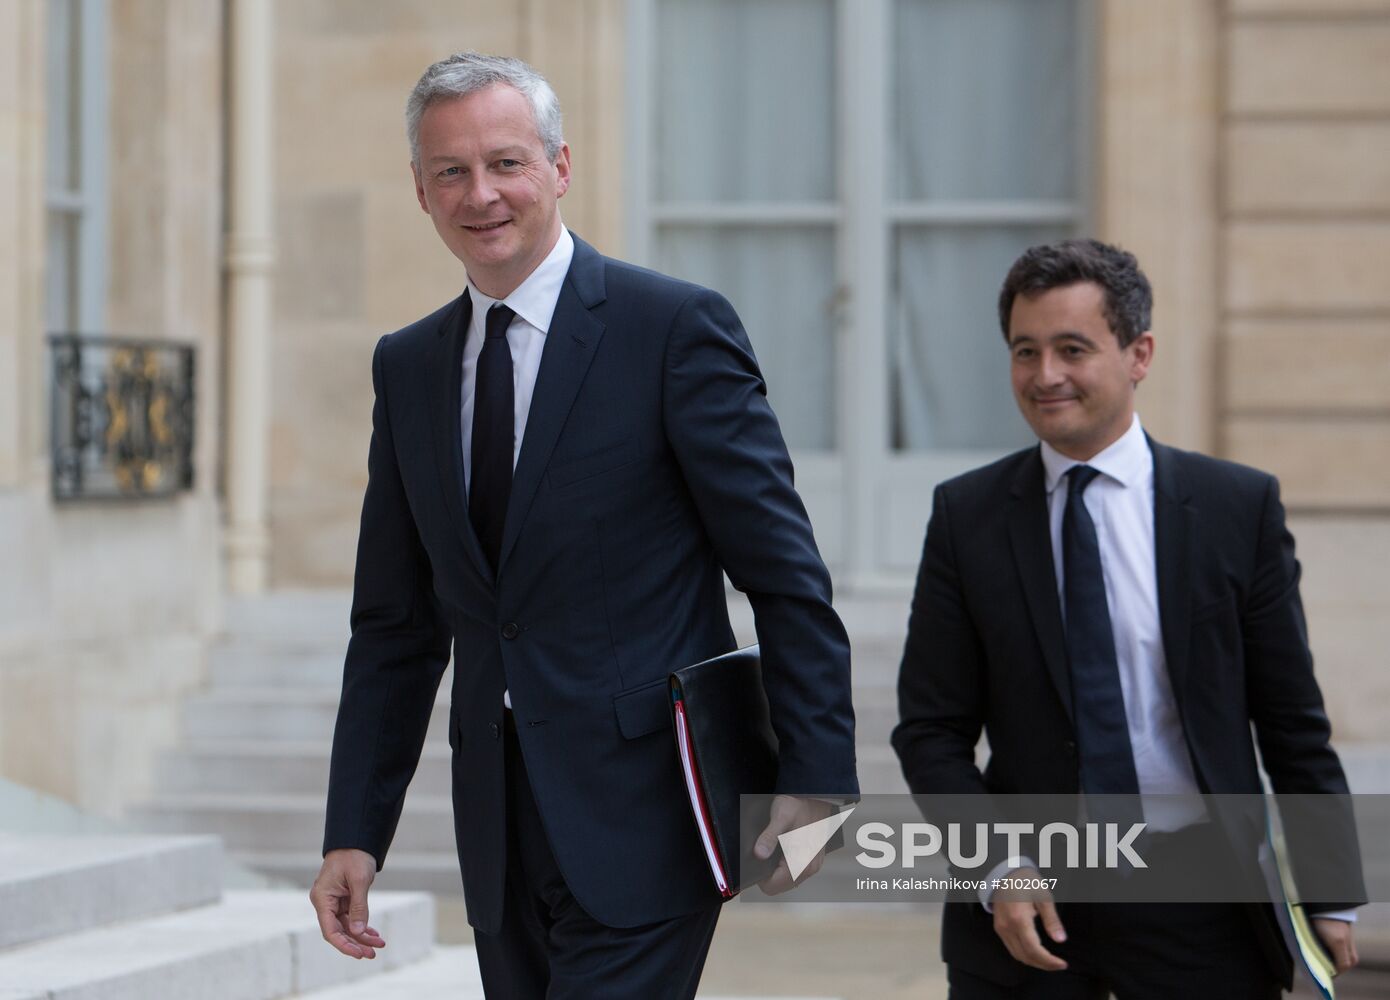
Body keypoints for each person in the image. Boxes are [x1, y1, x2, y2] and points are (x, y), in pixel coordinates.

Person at [306, 52, 857, 998]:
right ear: (420, 190)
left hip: (648, 817)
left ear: (560, 168)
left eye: (508, 163)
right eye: (452, 171)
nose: (482, 194)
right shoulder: (407, 368)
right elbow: (395, 626)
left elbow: (784, 574)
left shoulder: (674, 330)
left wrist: (814, 781)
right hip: (499, 832)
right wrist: (355, 827)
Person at [891, 238, 1362, 998]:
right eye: (1025, 351)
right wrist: (997, 866)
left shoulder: (1235, 509)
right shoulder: (965, 517)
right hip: (1031, 905)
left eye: (1072, 349)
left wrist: (1330, 886)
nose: (1046, 376)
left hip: (1203, 897)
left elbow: (1290, 719)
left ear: (1138, 354)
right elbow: (930, 728)